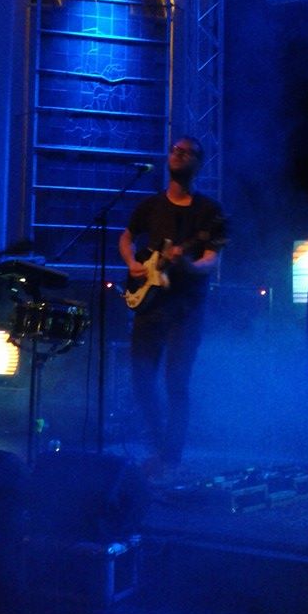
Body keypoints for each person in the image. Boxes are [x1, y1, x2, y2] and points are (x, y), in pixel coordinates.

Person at [118, 136, 227, 480]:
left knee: (176, 382)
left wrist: (188, 265)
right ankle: (157, 448)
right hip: (149, 305)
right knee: (142, 380)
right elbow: (126, 236)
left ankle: (171, 458)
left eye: (186, 152)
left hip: (187, 309)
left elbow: (211, 259)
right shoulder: (150, 205)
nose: (178, 155)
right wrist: (132, 263)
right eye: (174, 150)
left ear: (199, 163)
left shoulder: (209, 212)